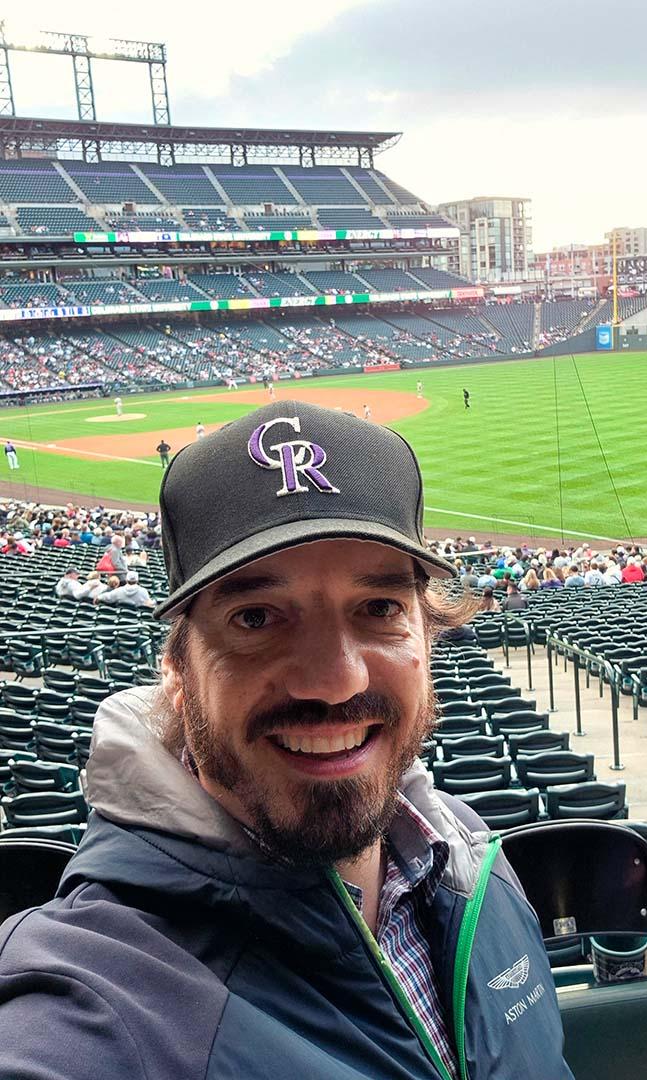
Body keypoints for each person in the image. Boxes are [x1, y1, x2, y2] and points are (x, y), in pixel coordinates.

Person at [0, 402, 570, 1080]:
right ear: (177, 671)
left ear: (427, 634)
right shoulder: (97, 1002)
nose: (333, 681)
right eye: (256, 617)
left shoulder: (477, 866)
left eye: (379, 608)